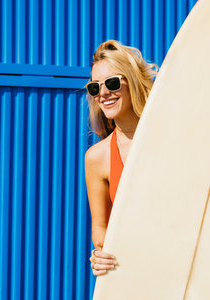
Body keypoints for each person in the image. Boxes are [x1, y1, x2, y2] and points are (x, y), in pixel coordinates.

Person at [84, 40, 157, 276]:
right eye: (95, 88)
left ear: (133, 82)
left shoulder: (172, 138)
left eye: (112, 83)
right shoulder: (97, 157)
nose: (103, 93)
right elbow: (100, 227)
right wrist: (100, 255)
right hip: (131, 276)